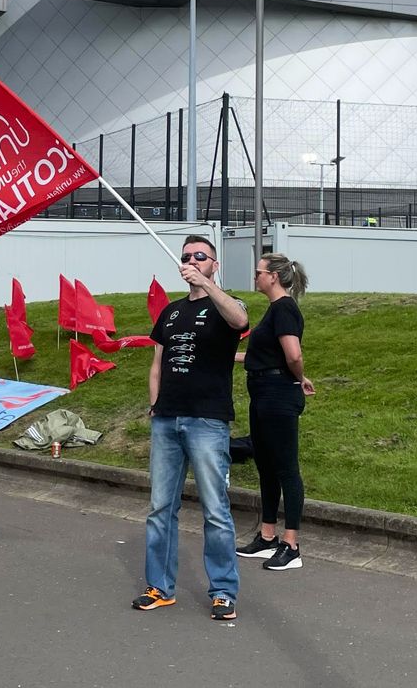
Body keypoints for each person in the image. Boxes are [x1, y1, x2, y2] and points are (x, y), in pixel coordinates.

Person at [133, 235, 248, 621]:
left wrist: (207, 285)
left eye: (201, 256)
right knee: (160, 507)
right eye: (186, 257)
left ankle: (223, 592)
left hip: (207, 421)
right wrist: (155, 405)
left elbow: (240, 320)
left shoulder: (225, 305)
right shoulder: (169, 312)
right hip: (167, 419)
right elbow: (157, 364)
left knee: (215, 510)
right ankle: (159, 587)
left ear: (214, 264)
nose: (192, 261)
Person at [235, 253, 314, 572]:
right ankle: (267, 537)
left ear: (274, 277)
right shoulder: (273, 310)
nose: (255, 276)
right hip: (264, 392)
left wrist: (299, 377)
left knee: (285, 468)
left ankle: (291, 544)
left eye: (259, 272)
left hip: (278, 394)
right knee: (266, 465)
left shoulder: (284, 308)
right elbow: (262, 354)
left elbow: (293, 354)